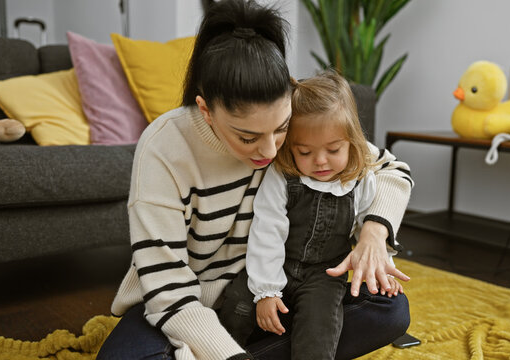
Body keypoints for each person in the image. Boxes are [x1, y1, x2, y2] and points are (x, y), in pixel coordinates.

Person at [96, 0, 413, 359]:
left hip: (278, 286)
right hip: (187, 300)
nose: (269, 150)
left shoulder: (293, 116)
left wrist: (374, 232)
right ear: (206, 110)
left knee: (391, 310)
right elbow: (168, 290)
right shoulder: (165, 148)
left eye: (280, 131)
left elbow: (389, 169)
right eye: (248, 138)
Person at [218, 70, 406, 360]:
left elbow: (367, 226)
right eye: (304, 152)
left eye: (333, 149)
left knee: (320, 333)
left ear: (352, 142)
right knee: (237, 306)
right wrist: (266, 291)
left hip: (325, 275)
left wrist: (382, 268)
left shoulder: (361, 177)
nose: (319, 161)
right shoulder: (281, 176)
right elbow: (267, 232)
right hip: (278, 264)